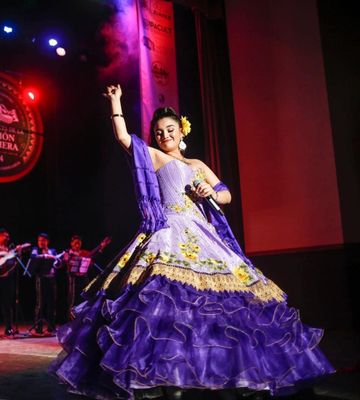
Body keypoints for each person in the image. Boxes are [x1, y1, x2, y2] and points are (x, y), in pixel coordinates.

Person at [50, 85, 334, 398]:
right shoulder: (155, 157)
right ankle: (168, 375)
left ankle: (233, 374)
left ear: (181, 131)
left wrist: (212, 193)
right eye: (158, 132)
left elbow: (226, 194)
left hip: (204, 234)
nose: (163, 135)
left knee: (225, 307)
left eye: (169, 129)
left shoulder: (197, 165)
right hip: (168, 231)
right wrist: (116, 103)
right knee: (167, 306)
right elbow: (123, 138)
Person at [62, 235, 110, 320]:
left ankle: (81, 320)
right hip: (73, 279)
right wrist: (69, 257)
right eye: (75, 243)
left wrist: (101, 247)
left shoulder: (84, 252)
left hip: (83, 278)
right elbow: (65, 261)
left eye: (79, 243)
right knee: (72, 300)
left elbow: (92, 258)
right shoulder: (68, 252)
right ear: (71, 243)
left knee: (84, 298)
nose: (77, 245)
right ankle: (69, 321)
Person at [29, 233, 58, 334]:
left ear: (47, 241)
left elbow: (57, 262)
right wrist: (45, 256)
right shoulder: (36, 249)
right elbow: (33, 257)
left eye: (43, 240)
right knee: (40, 303)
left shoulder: (53, 250)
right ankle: (38, 327)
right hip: (41, 279)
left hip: (51, 279)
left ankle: (51, 327)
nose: (41, 242)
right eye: (39, 240)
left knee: (51, 304)